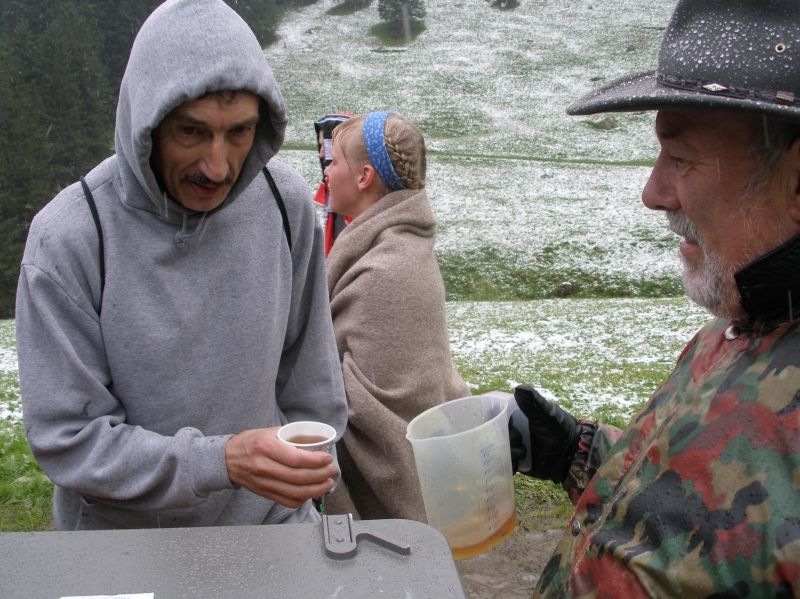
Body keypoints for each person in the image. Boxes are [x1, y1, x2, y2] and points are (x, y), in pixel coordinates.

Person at [14, 0, 347, 530]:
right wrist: (220, 462)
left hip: (270, 531)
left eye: (239, 132)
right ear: (145, 122)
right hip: (123, 549)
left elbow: (313, 385)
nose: (216, 167)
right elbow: (71, 442)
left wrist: (305, 477)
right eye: (190, 132)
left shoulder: (285, 203)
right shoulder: (71, 239)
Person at [510, 0, 800, 596]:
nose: (653, 192)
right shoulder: (740, 324)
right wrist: (574, 451)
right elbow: (702, 497)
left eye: (682, 157)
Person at [322, 112, 471, 521]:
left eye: (333, 162)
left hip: (396, 495)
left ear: (364, 176)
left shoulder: (386, 271)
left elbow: (378, 413)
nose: (327, 173)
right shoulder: (396, 246)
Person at [313, 113, 353, 256]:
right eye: (320, 146)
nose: (321, 153)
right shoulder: (331, 189)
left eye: (325, 145)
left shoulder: (354, 195)